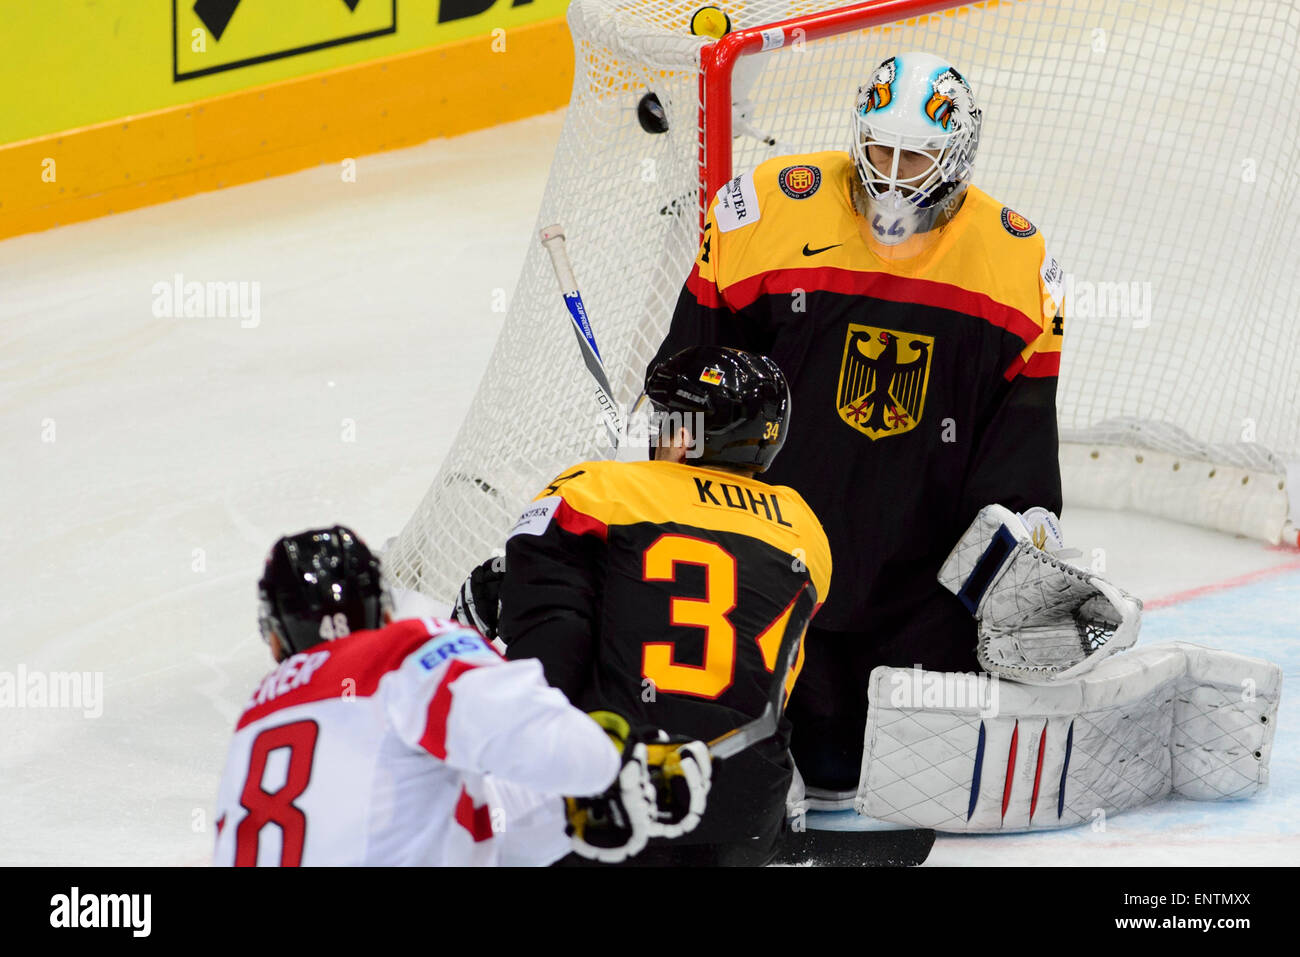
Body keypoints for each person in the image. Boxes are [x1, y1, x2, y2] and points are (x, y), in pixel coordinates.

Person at [647, 52, 1066, 797]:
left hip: (915, 593)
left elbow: (1017, 457)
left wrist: (1028, 548)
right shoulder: (767, 213)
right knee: (746, 773)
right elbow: (692, 383)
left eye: (919, 156)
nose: (896, 176)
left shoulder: (1015, 264)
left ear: (958, 156)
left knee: (880, 777)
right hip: (775, 578)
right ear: (857, 137)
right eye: (882, 150)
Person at [485, 346, 832, 866]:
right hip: (750, 814)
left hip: (618, 803)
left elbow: (548, 652)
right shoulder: (805, 528)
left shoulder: (595, 491)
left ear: (686, 434)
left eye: (665, 420)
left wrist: (497, 589)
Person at [213, 525, 710, 866]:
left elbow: (442, 822)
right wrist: (614, 759)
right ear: (381, 608)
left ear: (275, 635)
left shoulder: (258, 714)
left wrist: (567, 811)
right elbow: (542, 742)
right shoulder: (400, 652)